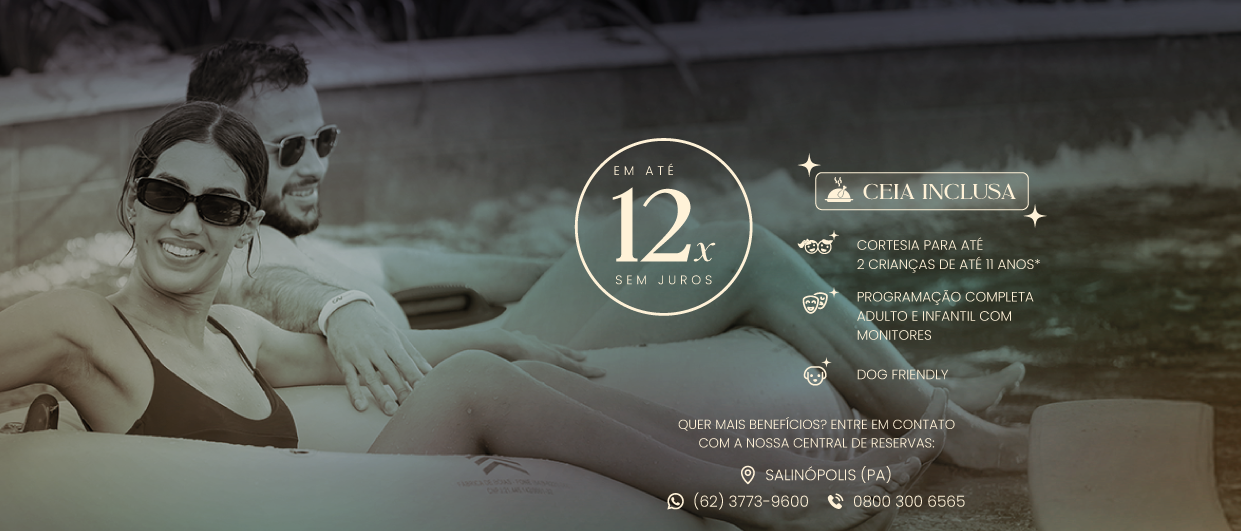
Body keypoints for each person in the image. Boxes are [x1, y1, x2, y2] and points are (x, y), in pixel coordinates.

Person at [0, 103, 943, 531]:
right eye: (165, 196)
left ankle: (783, 508)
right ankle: (786, 508)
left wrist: (502, 346)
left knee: (500, 360)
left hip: (335, 521)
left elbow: (355, 373)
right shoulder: (80, 332)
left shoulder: (236, 334)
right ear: (129, 203)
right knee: (493, 368)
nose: (186, 224)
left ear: (243, 226)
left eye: (218, 206)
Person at [185, 40, 1027, 470]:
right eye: (288, 149)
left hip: (506, 341)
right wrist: (341, 309)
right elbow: (271, 288)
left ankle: (918, 388)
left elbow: (480, 269)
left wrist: (611, 257)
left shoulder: (325, 241)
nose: (317, 164)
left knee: (680, 236)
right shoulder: (224, 246)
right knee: (743, 251)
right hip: (500, 371)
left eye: (323, 137)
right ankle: (948, 431)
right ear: (221, 153)